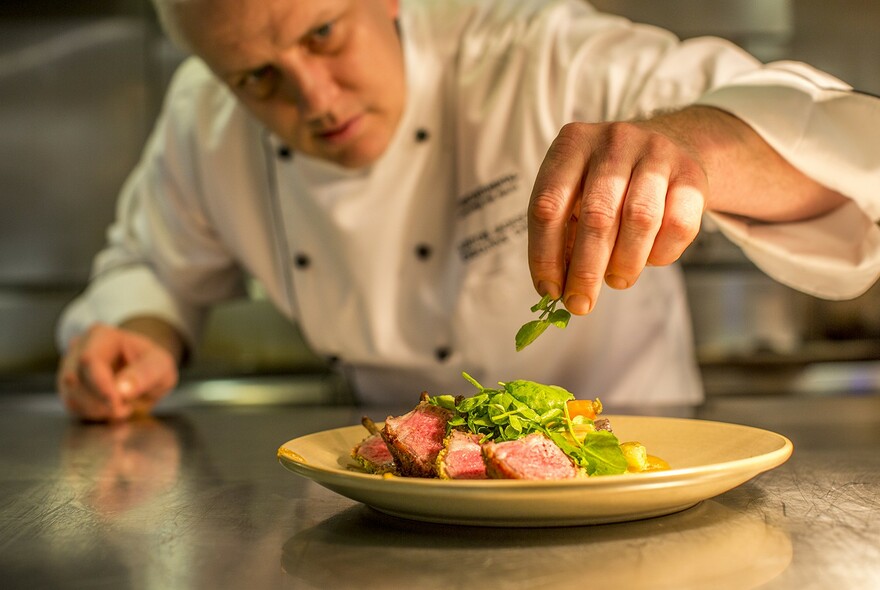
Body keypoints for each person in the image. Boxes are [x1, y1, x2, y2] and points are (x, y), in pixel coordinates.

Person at [56, 0, 880, 421]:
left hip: (638, 473)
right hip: (397, 496)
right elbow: (149, 268)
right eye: (257, 80)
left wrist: (691, 149)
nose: (314, 99)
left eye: (321, 35)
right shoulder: (203, 118)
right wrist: (137, 336)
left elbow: (838, 161)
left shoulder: (534, 51)